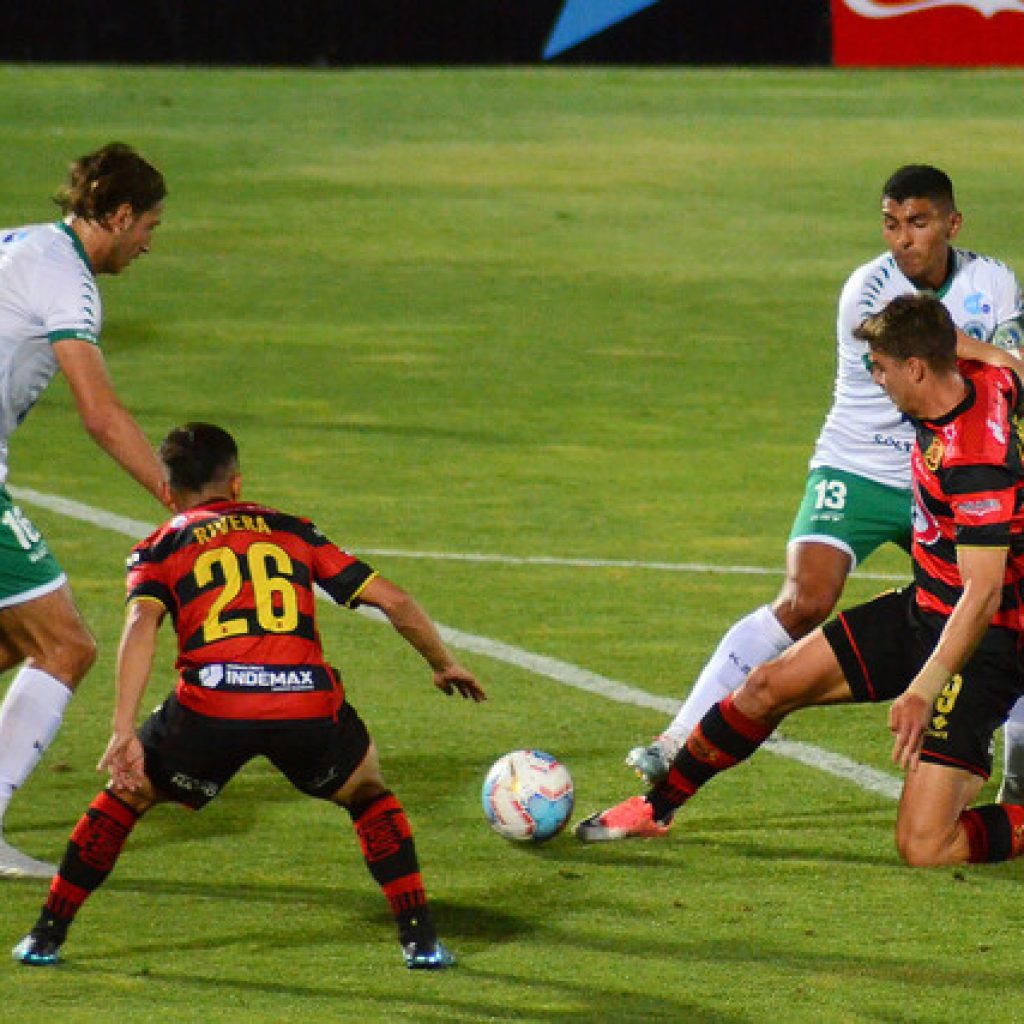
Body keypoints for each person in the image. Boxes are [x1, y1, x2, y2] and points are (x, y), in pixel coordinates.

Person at [12, 422, 486, 969]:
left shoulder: (160, 545)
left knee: (126, 796)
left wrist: (123, 729)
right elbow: (395, 601)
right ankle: (421, 942)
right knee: (367, 793)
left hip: (212, 707)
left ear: (168, 491)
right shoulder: (293, 530)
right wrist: (442, 663)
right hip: (305, 702)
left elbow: (142, 625)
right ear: (236, 483)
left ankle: (46, 937)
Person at [577, 293, 1024, 871]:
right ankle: (654, 808)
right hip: (926, 609)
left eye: (881, 367)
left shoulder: (976, 461)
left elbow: (983, 593)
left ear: (915, 368)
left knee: (926, 846)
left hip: (983, 642)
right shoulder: (981, 375)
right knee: (767, 685)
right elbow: (999, 360)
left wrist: (924, 687)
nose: (875, 379)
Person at [625, 164, 1024, 805]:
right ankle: (679, 737)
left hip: (945, 467)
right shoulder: (870, 290)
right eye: (891, 224)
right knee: (806, 599)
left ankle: (1018, 775)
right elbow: (948, 360)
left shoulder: (993, 280)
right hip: (861, 462)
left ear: (952, 224)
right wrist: (990, 356)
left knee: (1001, 608)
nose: (902, 239)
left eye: (917, 223)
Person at [0, 142, 171, 877]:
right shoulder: (67, 279)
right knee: (65, 646)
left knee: (14, 640)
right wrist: (181, 501)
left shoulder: (18, 243)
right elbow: (99, 414)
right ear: (121, 214)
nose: (147, 245)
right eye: (149, 227)